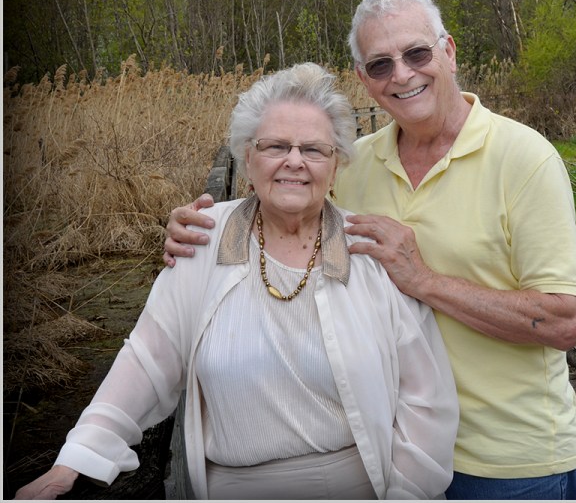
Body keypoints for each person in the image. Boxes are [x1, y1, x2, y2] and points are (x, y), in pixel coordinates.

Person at [163, 0, 576, 499]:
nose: (403, 75)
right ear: (364, 80)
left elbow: (562, 322)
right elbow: (279, 224)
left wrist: (424, 281)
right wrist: (199, 231)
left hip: (509, 465)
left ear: (449, 52)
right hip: (395, 455)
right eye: (381, 64)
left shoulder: (525, 158)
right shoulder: (353, 164)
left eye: (417, 53)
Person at [16, 62, 458, 501]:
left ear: (337, 164)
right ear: (246, 156)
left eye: (314, 150)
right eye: (275, 146)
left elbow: (425, 401)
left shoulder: (369, 250)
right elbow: (147, 360)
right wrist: (78, 457)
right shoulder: (203, 240)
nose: (294, 162)